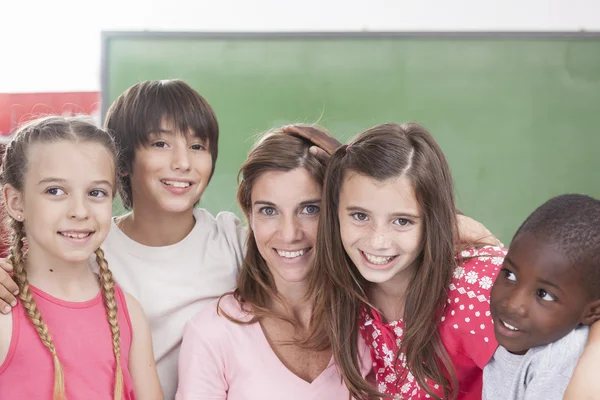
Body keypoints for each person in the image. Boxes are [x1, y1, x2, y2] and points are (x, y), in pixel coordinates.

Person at [0, 81, 495, 398]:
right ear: (123, 161)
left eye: (197, 146)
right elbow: (43, 251)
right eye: (160, 144)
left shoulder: (234, 241)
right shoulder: (93, 247)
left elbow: (374, 209)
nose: (182, 162)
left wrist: (447, 227)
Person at [308, 122, 506, 400]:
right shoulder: (344, 285)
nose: (378, 241)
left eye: (402, 221)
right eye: (360, 216)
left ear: (433, 221)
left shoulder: (476, 293)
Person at [175, 124, 374, 399]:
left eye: (309, 209)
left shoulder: (374, 320)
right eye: (269, 211)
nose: (290, 234)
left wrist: (356, 180)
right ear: (250, 216)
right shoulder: (212, 335)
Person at [0, 116, 161, 399]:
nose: (79, 210)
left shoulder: (130, 313)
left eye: (96, 193)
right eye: (55, 191)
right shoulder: (5, 310)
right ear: (16, 202)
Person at [483, 194, 600, 400]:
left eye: (544, 295)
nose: (513, 304)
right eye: (510, 274)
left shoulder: (558, 362)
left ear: (591, 312)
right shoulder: (522, 336)